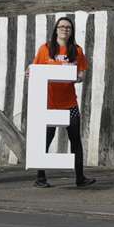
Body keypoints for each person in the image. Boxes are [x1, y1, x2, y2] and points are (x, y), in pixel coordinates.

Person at [31, 15, 95, 189]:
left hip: (69, 104)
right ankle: (40, 178)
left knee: (75, 140)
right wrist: (30, 73)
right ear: (56, 29)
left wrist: (75, 77)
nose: (64, 29)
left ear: (71, 31)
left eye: (68, 27)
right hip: (49, 104)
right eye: (61, 27)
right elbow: (34, 69)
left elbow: (82, 74)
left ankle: (80, 178)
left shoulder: (77, 50)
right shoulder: (45, 49)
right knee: (45, 140)